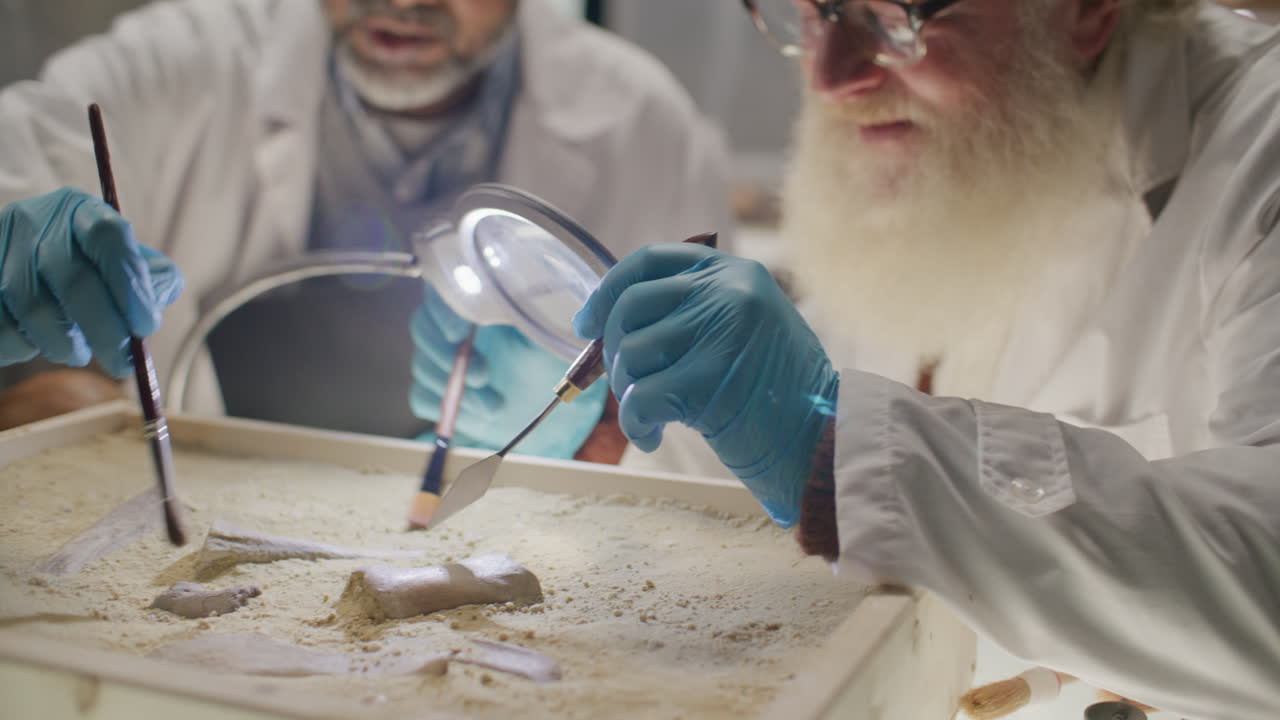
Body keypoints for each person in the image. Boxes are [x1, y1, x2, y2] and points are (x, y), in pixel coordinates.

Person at [572, 0, 1280, 717]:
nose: (830, 73)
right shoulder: (951, 147)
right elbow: (792, 437)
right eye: (812, 12)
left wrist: (836, 442)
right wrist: (603, 428)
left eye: (892, 14)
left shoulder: (1261, 144)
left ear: (1088, 12)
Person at [0, 0, 731, 458]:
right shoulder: (177, 61)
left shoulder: (641, 125)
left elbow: (712, 446)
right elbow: (21, 159)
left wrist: (587, 432)